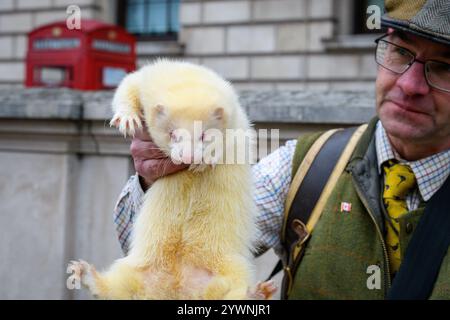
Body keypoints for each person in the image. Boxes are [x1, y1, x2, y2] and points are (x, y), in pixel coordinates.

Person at [112, 0, 450, 299]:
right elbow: (159, 260)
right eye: (401, 53)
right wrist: (158, 184)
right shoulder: (308, 166)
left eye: (443, 67)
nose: (409, 85)